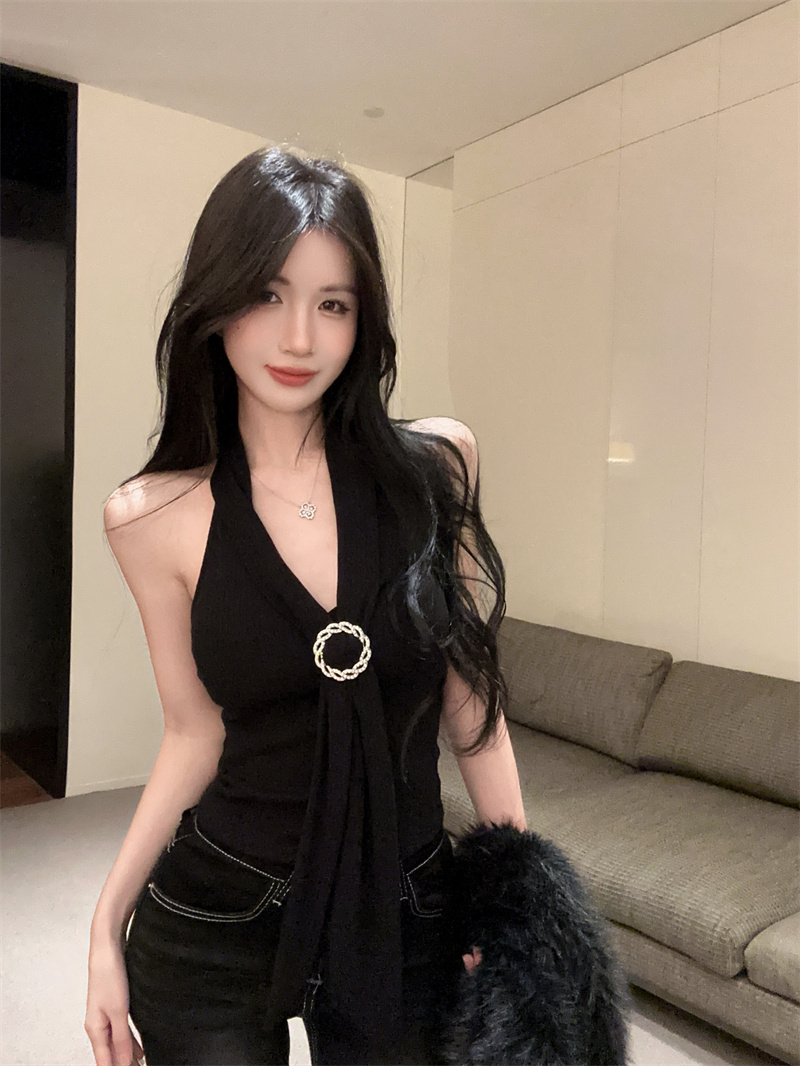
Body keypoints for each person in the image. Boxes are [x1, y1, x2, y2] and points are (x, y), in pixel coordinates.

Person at [84, 145, 526, 1066]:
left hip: (407, 904)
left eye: (333, 304)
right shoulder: (151, 516)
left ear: (365, 320)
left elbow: (470, 706)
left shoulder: (436, 468)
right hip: (220, 909)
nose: (298, 339)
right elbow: (193, 732)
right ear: (215, 303)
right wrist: (105, 922)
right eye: (267, 294)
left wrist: (516, 898)